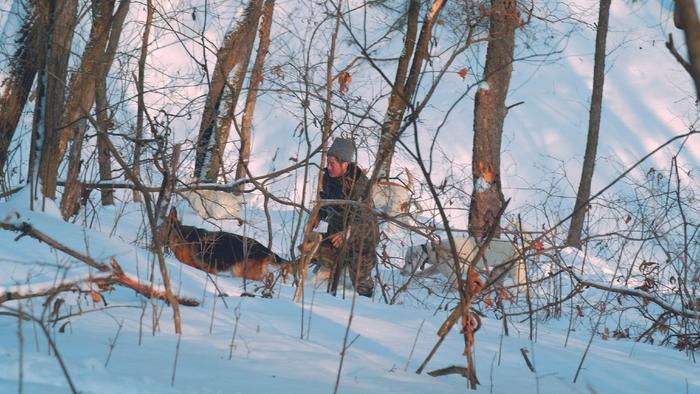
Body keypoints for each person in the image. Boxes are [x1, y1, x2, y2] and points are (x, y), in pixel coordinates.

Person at [314, 137, 378, 298]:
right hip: (336, 230)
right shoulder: (329, 177)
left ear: (345, 164)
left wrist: (347, 234)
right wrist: (319, 214)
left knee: (359, 279)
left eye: (332, 163)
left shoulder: (361, 186)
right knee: (317, 254)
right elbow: (326, 200)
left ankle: (368, 298)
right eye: (327, 162)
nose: (328, 167)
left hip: (361, 237)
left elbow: (364, 221)